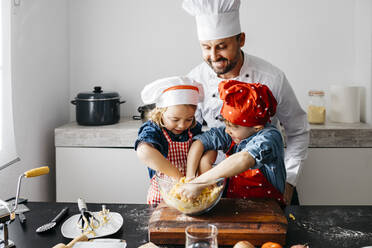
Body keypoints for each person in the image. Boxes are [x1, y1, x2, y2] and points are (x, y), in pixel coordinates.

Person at [182, 0, 309, 204]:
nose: (213, 56)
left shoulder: (272, 78)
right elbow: (191, 134)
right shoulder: (194, 81)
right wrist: (197, 175)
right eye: (206, 47)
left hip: (271, 182)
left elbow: (298, 130)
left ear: (241, 39)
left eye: (222, 47)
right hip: (214, 188)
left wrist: (290, 180)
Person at [181, 80, 286, 205]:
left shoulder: (270, 137)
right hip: (236, 207)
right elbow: (200, 142)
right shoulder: (233, 134)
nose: (227, 130)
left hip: (269, 209)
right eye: (226, 124)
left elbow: (244, 159)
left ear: (257, 128)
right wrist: (190, 177)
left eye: (233, 127)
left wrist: (201, 182)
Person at [134, 76, 204, 205]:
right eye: (175, 119)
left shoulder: (194, 128)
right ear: (160, 112)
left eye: (189, 119)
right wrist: (179, 178)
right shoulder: (154, 130)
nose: (182, 125)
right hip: (162, 196)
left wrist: (193, 177)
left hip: (190, 192)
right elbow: (144, 152)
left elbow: (205, 147)